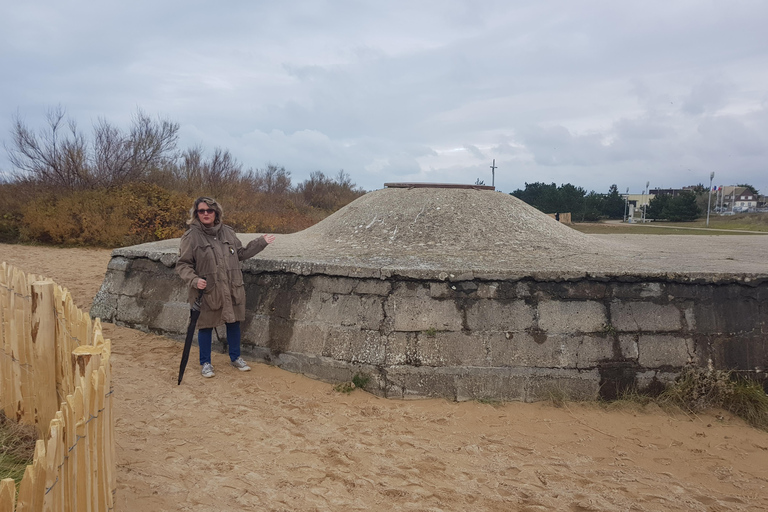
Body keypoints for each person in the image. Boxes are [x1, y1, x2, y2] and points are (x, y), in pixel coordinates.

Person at [176, 197, 275, 378]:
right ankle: (205, 363)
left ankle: (235, 357)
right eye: (201, 211)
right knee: (205, 325)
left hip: (231, 287)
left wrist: (261, 242)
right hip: (207, 291)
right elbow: (183, 265)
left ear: (216, 213)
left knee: (233, 321)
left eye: (209, 210)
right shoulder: (190, 237)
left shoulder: (228, 232)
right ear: (196, 214)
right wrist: (194, 280)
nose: (206, 214)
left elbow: (240, 254)